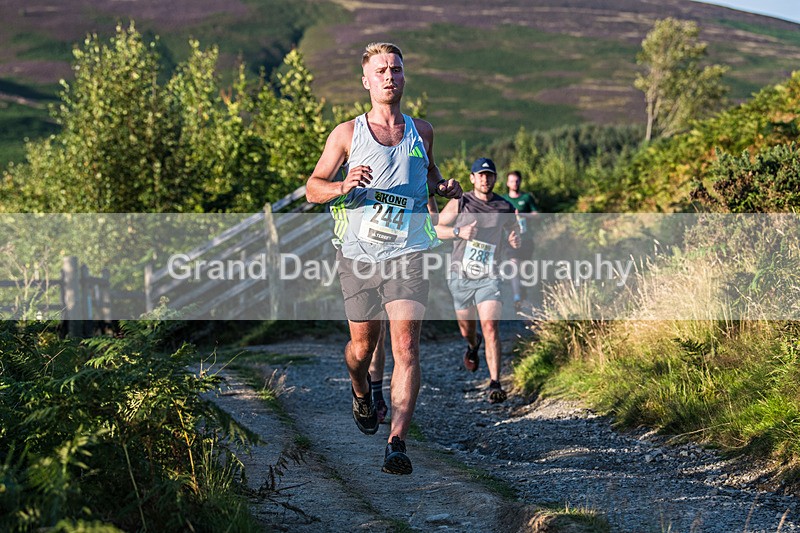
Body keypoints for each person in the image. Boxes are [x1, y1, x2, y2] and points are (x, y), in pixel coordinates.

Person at [306, 42, 461, 475]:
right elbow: (312, 187)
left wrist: (441, 186)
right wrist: (341, 186)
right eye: (381, 70)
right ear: (366, 80)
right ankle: (361, 390)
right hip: (358, 255)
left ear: (404, 76)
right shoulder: (347, 134)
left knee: (406, 347)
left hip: (408, 252)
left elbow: (427, 171)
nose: (389, 76)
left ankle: (397, 442)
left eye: (395, 69)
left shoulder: (421, 130)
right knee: (362, 347)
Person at [435, 157, 520, 403]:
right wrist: (458, 232)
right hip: (460, 275)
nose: (485, 179)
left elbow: (514, 231)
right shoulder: (460, 201)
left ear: (495, 178)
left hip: (489, 275)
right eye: (480, 175)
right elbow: (436, 229)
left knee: (491, 326)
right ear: (472, 178)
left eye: (490, 175)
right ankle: (473, 346)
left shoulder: (504, 207)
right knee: (467, 329)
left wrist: (515, 239)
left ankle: (495, 383)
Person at [369, 197, 439, 424]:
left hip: (405, 260)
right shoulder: (369, 167)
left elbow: (434, 218)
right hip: (367, 258)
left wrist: (429, 197)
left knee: (404, 343)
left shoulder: (415, 169)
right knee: (374, 336)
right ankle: (375, 392)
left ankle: (383, 406)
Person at [501, 170, 537, 310]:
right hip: (510, 239)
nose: (514, 184)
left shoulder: (527, 198)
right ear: (507, 183)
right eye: (511, 181)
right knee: (514, 265)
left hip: (526, 239)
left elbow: (537, 215)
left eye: (517, 181)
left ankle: (523, 292)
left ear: (520, 182)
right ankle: (517, 297)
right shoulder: (503, 199)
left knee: (524, 268)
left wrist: (522, 214)